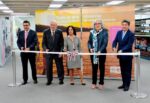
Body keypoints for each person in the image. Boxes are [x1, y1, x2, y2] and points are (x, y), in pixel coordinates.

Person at [112, 20, 135, 91]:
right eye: (123, 24)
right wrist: (114, 47)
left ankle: (127, 85)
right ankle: (124, 83)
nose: (124, 26)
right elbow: (115, 41)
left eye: (125, 25)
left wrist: (122, 50)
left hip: (127, 56)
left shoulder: (131, 34)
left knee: (127, 71)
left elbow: (129, 45)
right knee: (122, 70)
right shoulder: (119, 32)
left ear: (128, 25)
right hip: (120, 56)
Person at [42, 20, 64, 85]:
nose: (53, 26)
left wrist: (61, 52)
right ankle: (49, 80)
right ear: (50, 25)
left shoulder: (59, 32)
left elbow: (62, 43)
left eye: (54, 25)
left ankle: (61, 79)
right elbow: (43, 43)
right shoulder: (45, 32)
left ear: (56, 26)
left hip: (57, 53)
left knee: (59, 67)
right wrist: (45, 49)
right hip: (49, 53)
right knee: (48, 67)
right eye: (51, 25)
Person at [88, 20, 108, 90]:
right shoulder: (91, 32)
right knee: (94, 68)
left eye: (98, 23)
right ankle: (94, 83)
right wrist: (90, 48)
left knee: (101, 68)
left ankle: (101, 83)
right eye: (95, 24)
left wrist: (100, 51)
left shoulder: (104, 32)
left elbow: (105, 43)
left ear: (101, 24)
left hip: (101, 53)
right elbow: (89, 42)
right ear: (94, 25)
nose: (97, 25)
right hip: (93, 53)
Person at [17, 20, 38, 85]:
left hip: (31, 52)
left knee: (33, 66)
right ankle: (25, 80)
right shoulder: (20, 33)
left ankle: (35, 79)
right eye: (24, 25)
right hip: (23, 53)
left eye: (26, 25)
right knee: (24, 66)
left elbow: (35, 42)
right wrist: (21, 47)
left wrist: (29, 47)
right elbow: (18, 42)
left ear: (29, 25)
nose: (25, 26)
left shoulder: (33, 32)